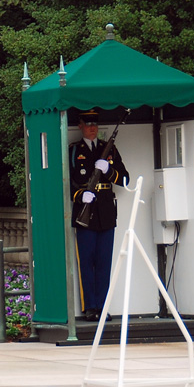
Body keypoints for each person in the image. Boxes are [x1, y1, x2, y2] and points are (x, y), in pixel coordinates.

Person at [70, 109, 129, 322]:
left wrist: (109, 171)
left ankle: (103, 306)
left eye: (95, 124)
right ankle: (90, 307)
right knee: (86, 261)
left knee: (104, 262)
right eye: (88, 124)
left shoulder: (108, 149)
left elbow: (125, 180)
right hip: (85, 213)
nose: (92, 128)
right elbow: (65, 183)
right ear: (80, 125)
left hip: (105, 212)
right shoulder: (74, 151)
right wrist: (79, 196)